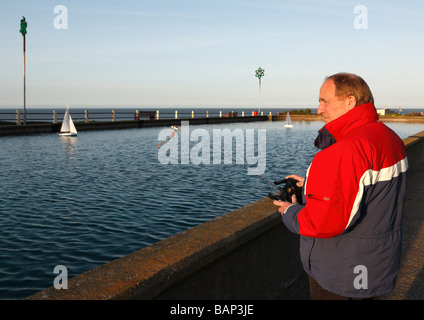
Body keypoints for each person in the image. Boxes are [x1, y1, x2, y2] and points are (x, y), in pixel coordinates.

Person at [273, 73, 408, 300]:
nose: (318, 109)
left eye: (324, 101)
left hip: (341, 273)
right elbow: (369, 190)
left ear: (350, 101)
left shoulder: (344, 150)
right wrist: (314, 184)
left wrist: (290, 212)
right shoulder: (388, 137)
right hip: (376, 264)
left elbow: (321, 223)